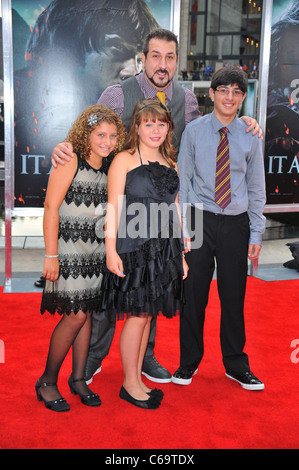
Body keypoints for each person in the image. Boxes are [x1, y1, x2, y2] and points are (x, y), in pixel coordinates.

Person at [51, 28, 263, 385]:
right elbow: (90, 130)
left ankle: (145, 357)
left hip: (160, 214)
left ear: (177, 61)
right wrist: (66, 145)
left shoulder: (188, 101)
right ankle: (95, 356)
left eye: (169, 57)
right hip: (120, 207)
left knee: (149, 290)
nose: (162, 64)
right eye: (155, 56)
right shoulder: (118, 93)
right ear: (143, 58)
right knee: (110, 291)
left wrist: (243, 120)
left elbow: (208, 137)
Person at [172, 66, 266, 391]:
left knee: (233, 296)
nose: (229, 97)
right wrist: (182, 228)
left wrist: (256, 232)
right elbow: (182, 182)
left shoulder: (250, 135)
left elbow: (256, 187)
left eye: (236, 92)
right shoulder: (194, 131)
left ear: (242, 98)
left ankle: (236, 364)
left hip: (236, 223)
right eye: (223, 90)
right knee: (193, 296)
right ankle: (188, 363)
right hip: (198, 218)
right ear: (211, 94)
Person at [35, 104, 125, 412]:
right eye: (100, 134)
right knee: (74, 315)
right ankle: (47, 380)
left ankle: (77, 379)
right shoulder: (69, 158)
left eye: (113, 135)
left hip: (97, 252)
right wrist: (51, 255)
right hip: (69, 250)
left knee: (84, 313)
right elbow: (50, 207)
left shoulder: (111, 163)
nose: (107, 141)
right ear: (85, 133)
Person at [100, 99, 188, 409]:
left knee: (148, 316)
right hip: (133, 248)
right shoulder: (122, 160)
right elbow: (112, 208)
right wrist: (111, 250)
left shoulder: (171, 161)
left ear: (169, 127)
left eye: (161, 124)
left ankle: (135, 378)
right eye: (148, 123)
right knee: (136, 317)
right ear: (136, 126)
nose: (155, 129)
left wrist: (181, 254)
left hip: (164, 249)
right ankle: (129, 383)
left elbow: (174, 207)